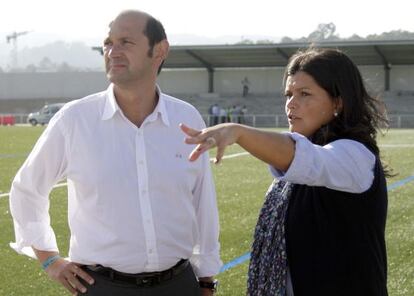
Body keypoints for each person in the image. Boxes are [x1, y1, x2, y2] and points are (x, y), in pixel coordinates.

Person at [9, 10, 221, 296]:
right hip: (102, 287)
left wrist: (206, 279)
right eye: (108, 43)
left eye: (125, 42)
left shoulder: (187, 118)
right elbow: (27, 190)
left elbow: (202, 203)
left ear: (160, 50)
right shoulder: (75, 120)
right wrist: (49, 259)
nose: (112, 51)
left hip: (178, 285)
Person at [181, 48, 389, 296]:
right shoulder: (304, 159)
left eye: (304, 94)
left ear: (338, 102)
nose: (291, 103)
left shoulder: (355, 155)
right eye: (288, 94)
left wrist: (239, 132)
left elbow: (308, 159)